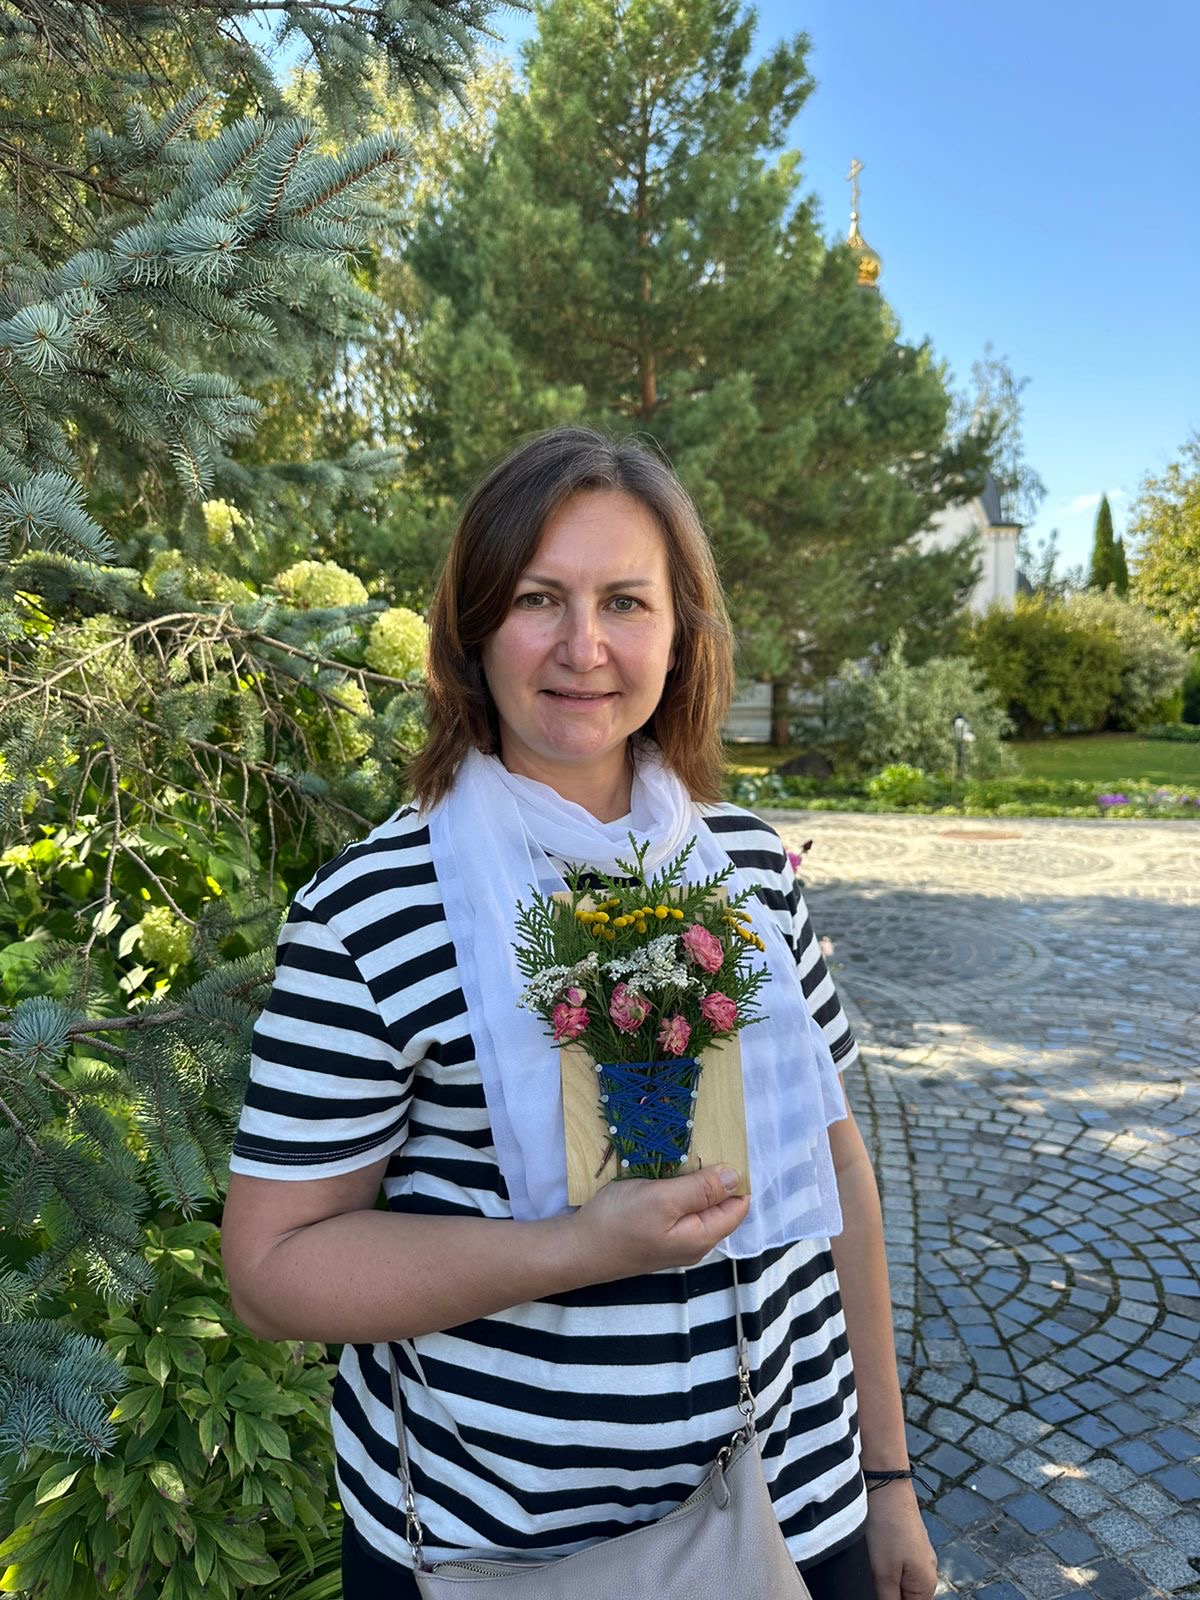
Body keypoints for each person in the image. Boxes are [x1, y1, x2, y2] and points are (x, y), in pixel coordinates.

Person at [221, 427, 938, 1600]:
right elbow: (271, 1268)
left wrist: (888, 1475)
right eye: (538, 598)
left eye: (626, 602)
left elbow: (838, 1167)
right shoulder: (373, 910)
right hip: (494, 1553)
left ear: (680, 631)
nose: (584, 646)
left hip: (797, 1512)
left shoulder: (751, 871)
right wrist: (576, 1249)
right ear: (473, 626)